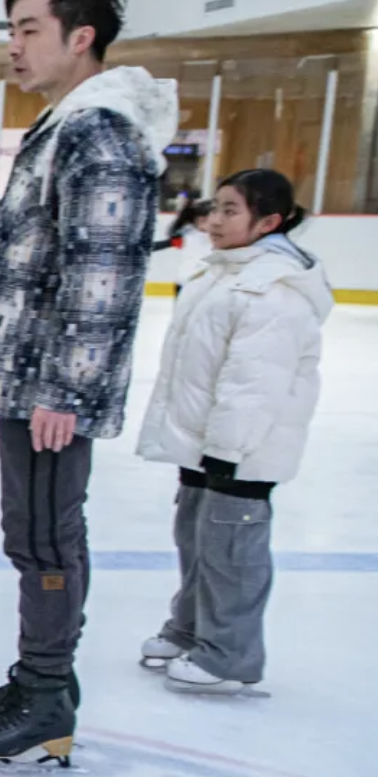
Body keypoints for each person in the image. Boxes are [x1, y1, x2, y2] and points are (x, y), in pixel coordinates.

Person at [0, 0, 180, 767]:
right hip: (30, 376)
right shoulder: (71, 122)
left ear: (81, 37)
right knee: (31, 531)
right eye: (11, 29)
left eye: (29, 29)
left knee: (44, 535)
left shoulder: (97, 130)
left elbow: (101, 273)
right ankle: (38, 678)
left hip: (50, 387)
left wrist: (67, 391)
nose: (14, 46)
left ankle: (45, 695)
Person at [136, 170, 331, 695]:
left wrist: (226, 449)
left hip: (240, 449)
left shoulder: (272, 288)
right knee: (197, 538)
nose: (214, 220)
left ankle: (229, 654)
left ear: (269, 221)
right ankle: (192, 628)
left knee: (230, 550)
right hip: (206, 443)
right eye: (214, 208)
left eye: (230, 211)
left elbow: (254, 383)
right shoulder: (220, 271)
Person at [153, 199, 213, 297]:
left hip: (206, 286)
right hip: (185, 284)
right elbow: (161, 244)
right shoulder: (186, 236)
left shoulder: (219, 237)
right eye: (204, 220)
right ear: (199, 219)